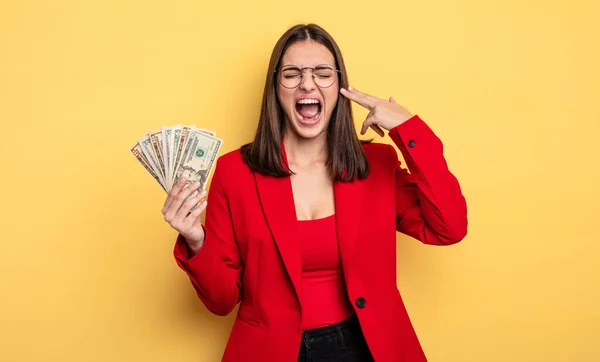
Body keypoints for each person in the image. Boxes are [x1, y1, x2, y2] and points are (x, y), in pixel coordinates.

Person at [161, 23, 468, 362]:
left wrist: (408, 129)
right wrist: (195, 239)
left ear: (339, 86)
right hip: (272, 352)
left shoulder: (377, 164)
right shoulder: (235, 173)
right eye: (292, 74)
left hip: (368, 346)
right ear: (275, 88)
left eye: (323, 73)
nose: (307, 83)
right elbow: (220, 301)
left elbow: (448, 228)